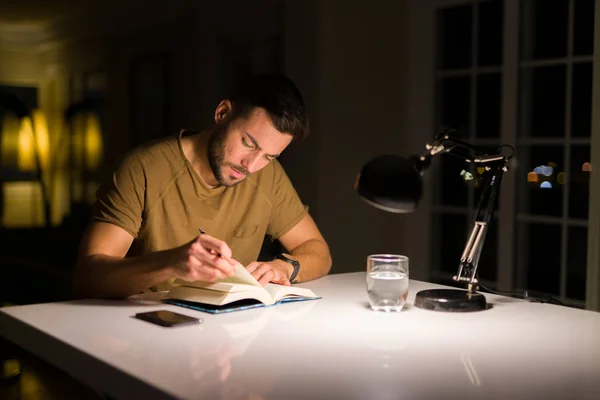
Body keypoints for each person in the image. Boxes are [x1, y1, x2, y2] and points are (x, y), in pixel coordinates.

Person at [73, 73, 332, 299]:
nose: (251, 166)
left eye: (269, 156)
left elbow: (318, 251)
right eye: (248, 143)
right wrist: (170, 264)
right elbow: (89, 276)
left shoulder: (268, 175)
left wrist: (284, 267)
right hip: (146, 330)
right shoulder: (144, 167)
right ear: (222, 113)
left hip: (226, 332)